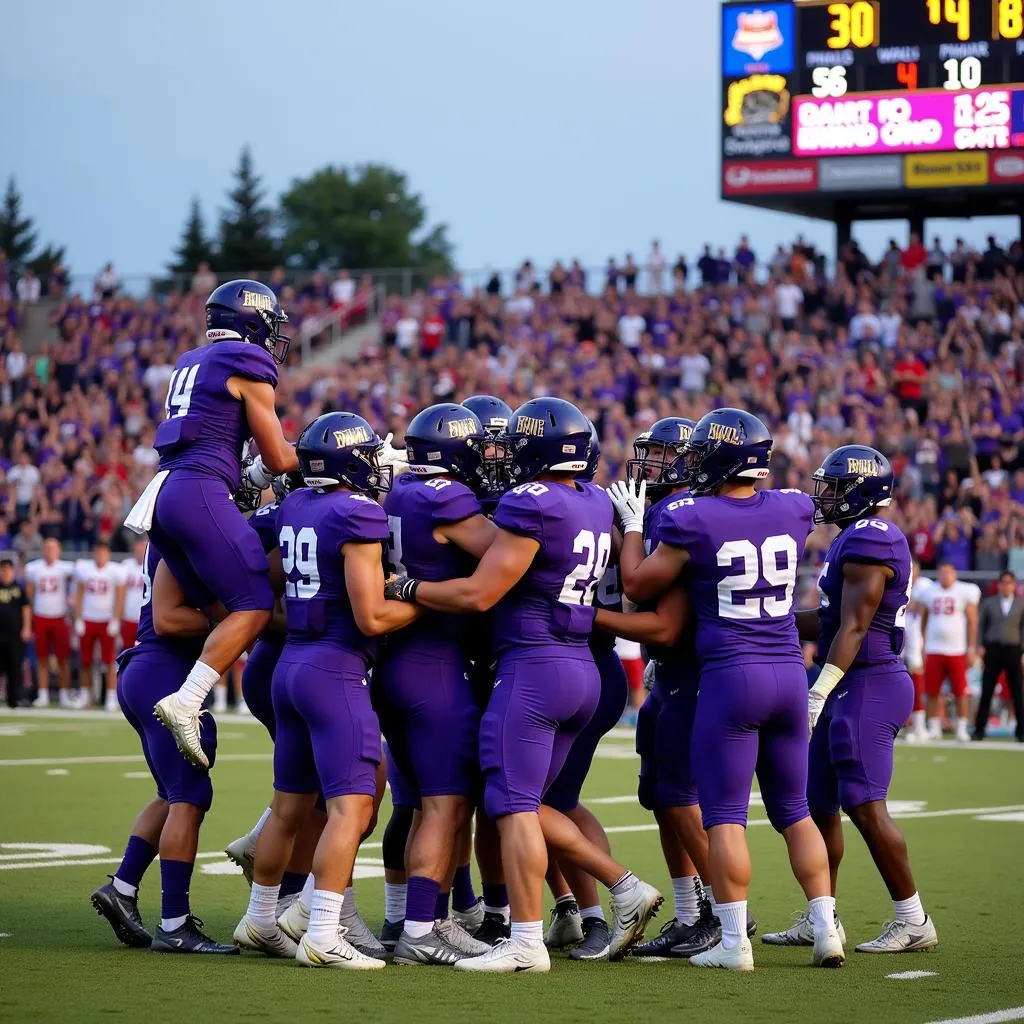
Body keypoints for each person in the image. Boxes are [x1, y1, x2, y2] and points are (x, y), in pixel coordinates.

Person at [386, 398, 663, 973]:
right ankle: (622, 887)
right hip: (581, 668)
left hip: (532, 669)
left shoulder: (526, 504)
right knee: (526, 802)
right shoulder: (590, 500)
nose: (504, 455)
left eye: (515, 444)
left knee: (511, 805)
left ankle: (527, 939)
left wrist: (409, 587)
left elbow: (479, 593)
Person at [613, 408, 843, 972]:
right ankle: (825, 928)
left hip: (730, 675)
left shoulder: (691, 517)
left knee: (723, 816)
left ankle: (733, 940)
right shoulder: (792, 507)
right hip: (790, 672)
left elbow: (638, 583)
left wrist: (635, 526)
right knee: (795, 811)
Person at [234, 412, 419, 970]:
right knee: (352, 806)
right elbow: (370, 616)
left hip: (291, 663)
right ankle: (322, 931)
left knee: (288, 807)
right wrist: (420, 599)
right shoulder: (358, 512)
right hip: (336, 668)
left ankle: (261, 918)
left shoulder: (294, 505)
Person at [764, 445, 938, 953]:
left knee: (865, 806)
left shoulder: (871, 538)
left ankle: (914, 919)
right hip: (846, 680)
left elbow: (856, 627)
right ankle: (825, 916)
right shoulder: (850, 539)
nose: (827, 495)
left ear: (862, 490)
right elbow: (832, 619)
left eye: (836, 486)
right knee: (817, 804)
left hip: (867, 682)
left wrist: (819, 688)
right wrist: (770, 622)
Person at [125, 280, 301, 767]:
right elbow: (281, 457)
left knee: (227, 608)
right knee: (253, 605)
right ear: (254, 322)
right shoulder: (248, 362)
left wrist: (256, 473)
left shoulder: (191, 361)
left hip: (165, 492)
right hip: (199, 490)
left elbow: (237, 456)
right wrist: (326, 457)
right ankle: (187, 700)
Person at [376, 402, 497, 965]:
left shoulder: (402, 490)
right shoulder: (447, 497)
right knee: (444, 807)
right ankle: (423, 932)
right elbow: (508, 553)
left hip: (397, 663)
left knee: (422, 806)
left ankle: (418, 919)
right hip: (435, 666)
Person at [608, 416, 733, 959]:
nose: (648, 464)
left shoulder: (678, 513)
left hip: (694, 672)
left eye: (659, 455)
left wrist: (586, 617)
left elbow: (662, 621)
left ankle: (723, 916)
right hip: (673, 673)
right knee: (661, 796)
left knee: (681, 797)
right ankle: (690, 913)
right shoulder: (666, 510)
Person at [91, 541, 237, 954]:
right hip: (161, 669)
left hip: (149, 670)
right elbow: (169, 619)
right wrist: (230, 621)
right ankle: (174, 923)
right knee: (191, 795)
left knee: (170, 795)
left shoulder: (176, 527)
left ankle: (121, 887)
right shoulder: (181, 530)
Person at [541, 423, 630, 961]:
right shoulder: (598, 509)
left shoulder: (571, 511)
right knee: (537, 801)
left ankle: (599, 910)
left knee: (549, 802)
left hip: (581, 662)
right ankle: (571, 908)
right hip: (581, 662)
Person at [920, 561, 981, 742]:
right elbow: (924, 620)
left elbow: (972, 621)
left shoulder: (964, 591)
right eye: (942, 572)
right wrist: (924, 645)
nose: (945, 575)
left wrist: (971, 647)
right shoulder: (930, 592)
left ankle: (962, 728)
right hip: (934, 648)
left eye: (948, 572)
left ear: (955, 574)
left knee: (961, 691)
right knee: (932, 691)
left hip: (957, 650)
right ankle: (934, 727)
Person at [73, 538, 125, 711]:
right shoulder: (84, 570)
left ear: (108, 554)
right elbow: (78, 596)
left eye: (103, 552)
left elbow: (120, 597)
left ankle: (111, 697)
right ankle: (85, 695)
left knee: (109, 661)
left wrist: (116, 619)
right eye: (98, 552)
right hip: (88, 619)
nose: (100, 556)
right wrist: (78, 618)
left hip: (106, 621)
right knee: (85, 660)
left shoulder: (115, 571)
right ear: (94, 553)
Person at [25, 537, 75, 708]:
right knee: (42, 658)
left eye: (53, 548)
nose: (49, 551)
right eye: (46, 547)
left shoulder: (65, 568)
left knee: (63, 659)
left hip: (60, 616)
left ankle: (64, 694)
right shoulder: (34, 568)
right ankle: (43, 694)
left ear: (59, 550)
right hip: (40, 616)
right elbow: (29, 595)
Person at [974, 571, 1024, 741]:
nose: (1006, 585)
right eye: (1003, 582)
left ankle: (1021, 730)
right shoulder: (990, 603)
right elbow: (981, 625)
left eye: (1009, 582)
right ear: (999, 584)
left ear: (1014, 585)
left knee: (1017, 691)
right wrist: (980, 645)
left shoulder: (1020, 604)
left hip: (1013, 650)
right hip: (993, 649)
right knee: (987, 690)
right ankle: (980, 729)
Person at [902, 559, 930, 742]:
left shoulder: (927, 586)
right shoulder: (899, 581)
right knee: (898, 680)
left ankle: (920, 725)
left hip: (917, 638)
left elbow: (922, 607)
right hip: (898, 634)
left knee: (917, 680)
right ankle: (902, 723)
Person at [0, 557, 31, 708]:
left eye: (7, 569)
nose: (5, 572)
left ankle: (13, 699)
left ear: (12, 571)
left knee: (14, 667)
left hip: (14, 635)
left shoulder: (18, 589)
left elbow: (26, 609)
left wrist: (26, 628)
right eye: (2, 569)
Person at [120, 538, 148, 650]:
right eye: (138, 549)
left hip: (145, 617)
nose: (140, 552)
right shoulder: (125, 565)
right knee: (126, 648)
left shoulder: (152, 565)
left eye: (143, 550)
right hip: (128, 615)